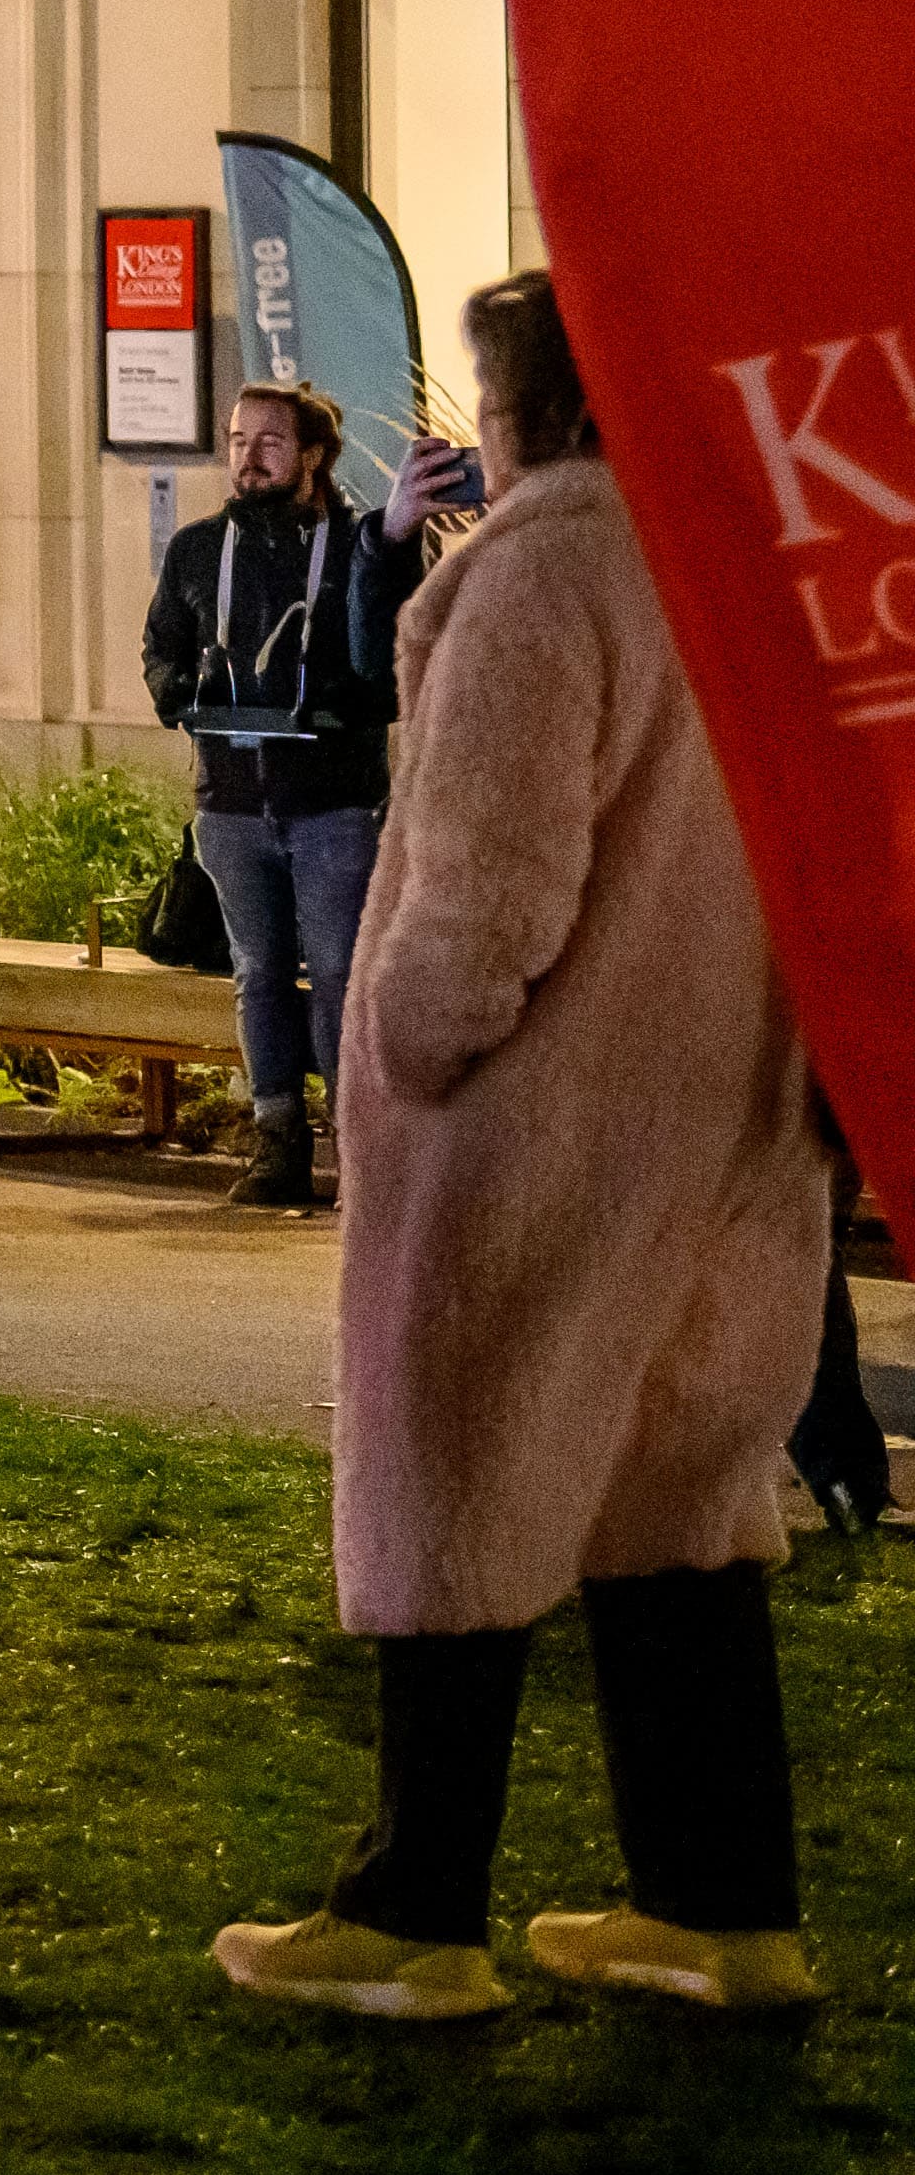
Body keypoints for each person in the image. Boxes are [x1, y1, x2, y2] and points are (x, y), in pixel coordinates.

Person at [218, 276, 837, 2025]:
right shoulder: (745, 564)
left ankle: (416, 1908)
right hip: (727, 1103)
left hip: (540, 1117)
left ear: (535, 411)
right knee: (684, 1504)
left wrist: (412, 1040)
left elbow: (489, 881)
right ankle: (722, 1902)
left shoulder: (548, 571)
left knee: (458, 1484)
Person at [143, 378, 410, 1212]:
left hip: (332, 803)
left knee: (337, 973)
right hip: (229, 801)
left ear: (313, 457)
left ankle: (355, 1147)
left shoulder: (357, 548)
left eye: (268, 443)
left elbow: (393, 662)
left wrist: (341, 703)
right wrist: (178, 693)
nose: (248, 459)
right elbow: (161, 645)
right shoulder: (198, 550)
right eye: (237, 441)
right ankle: (277, 1140)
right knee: (257, 973)